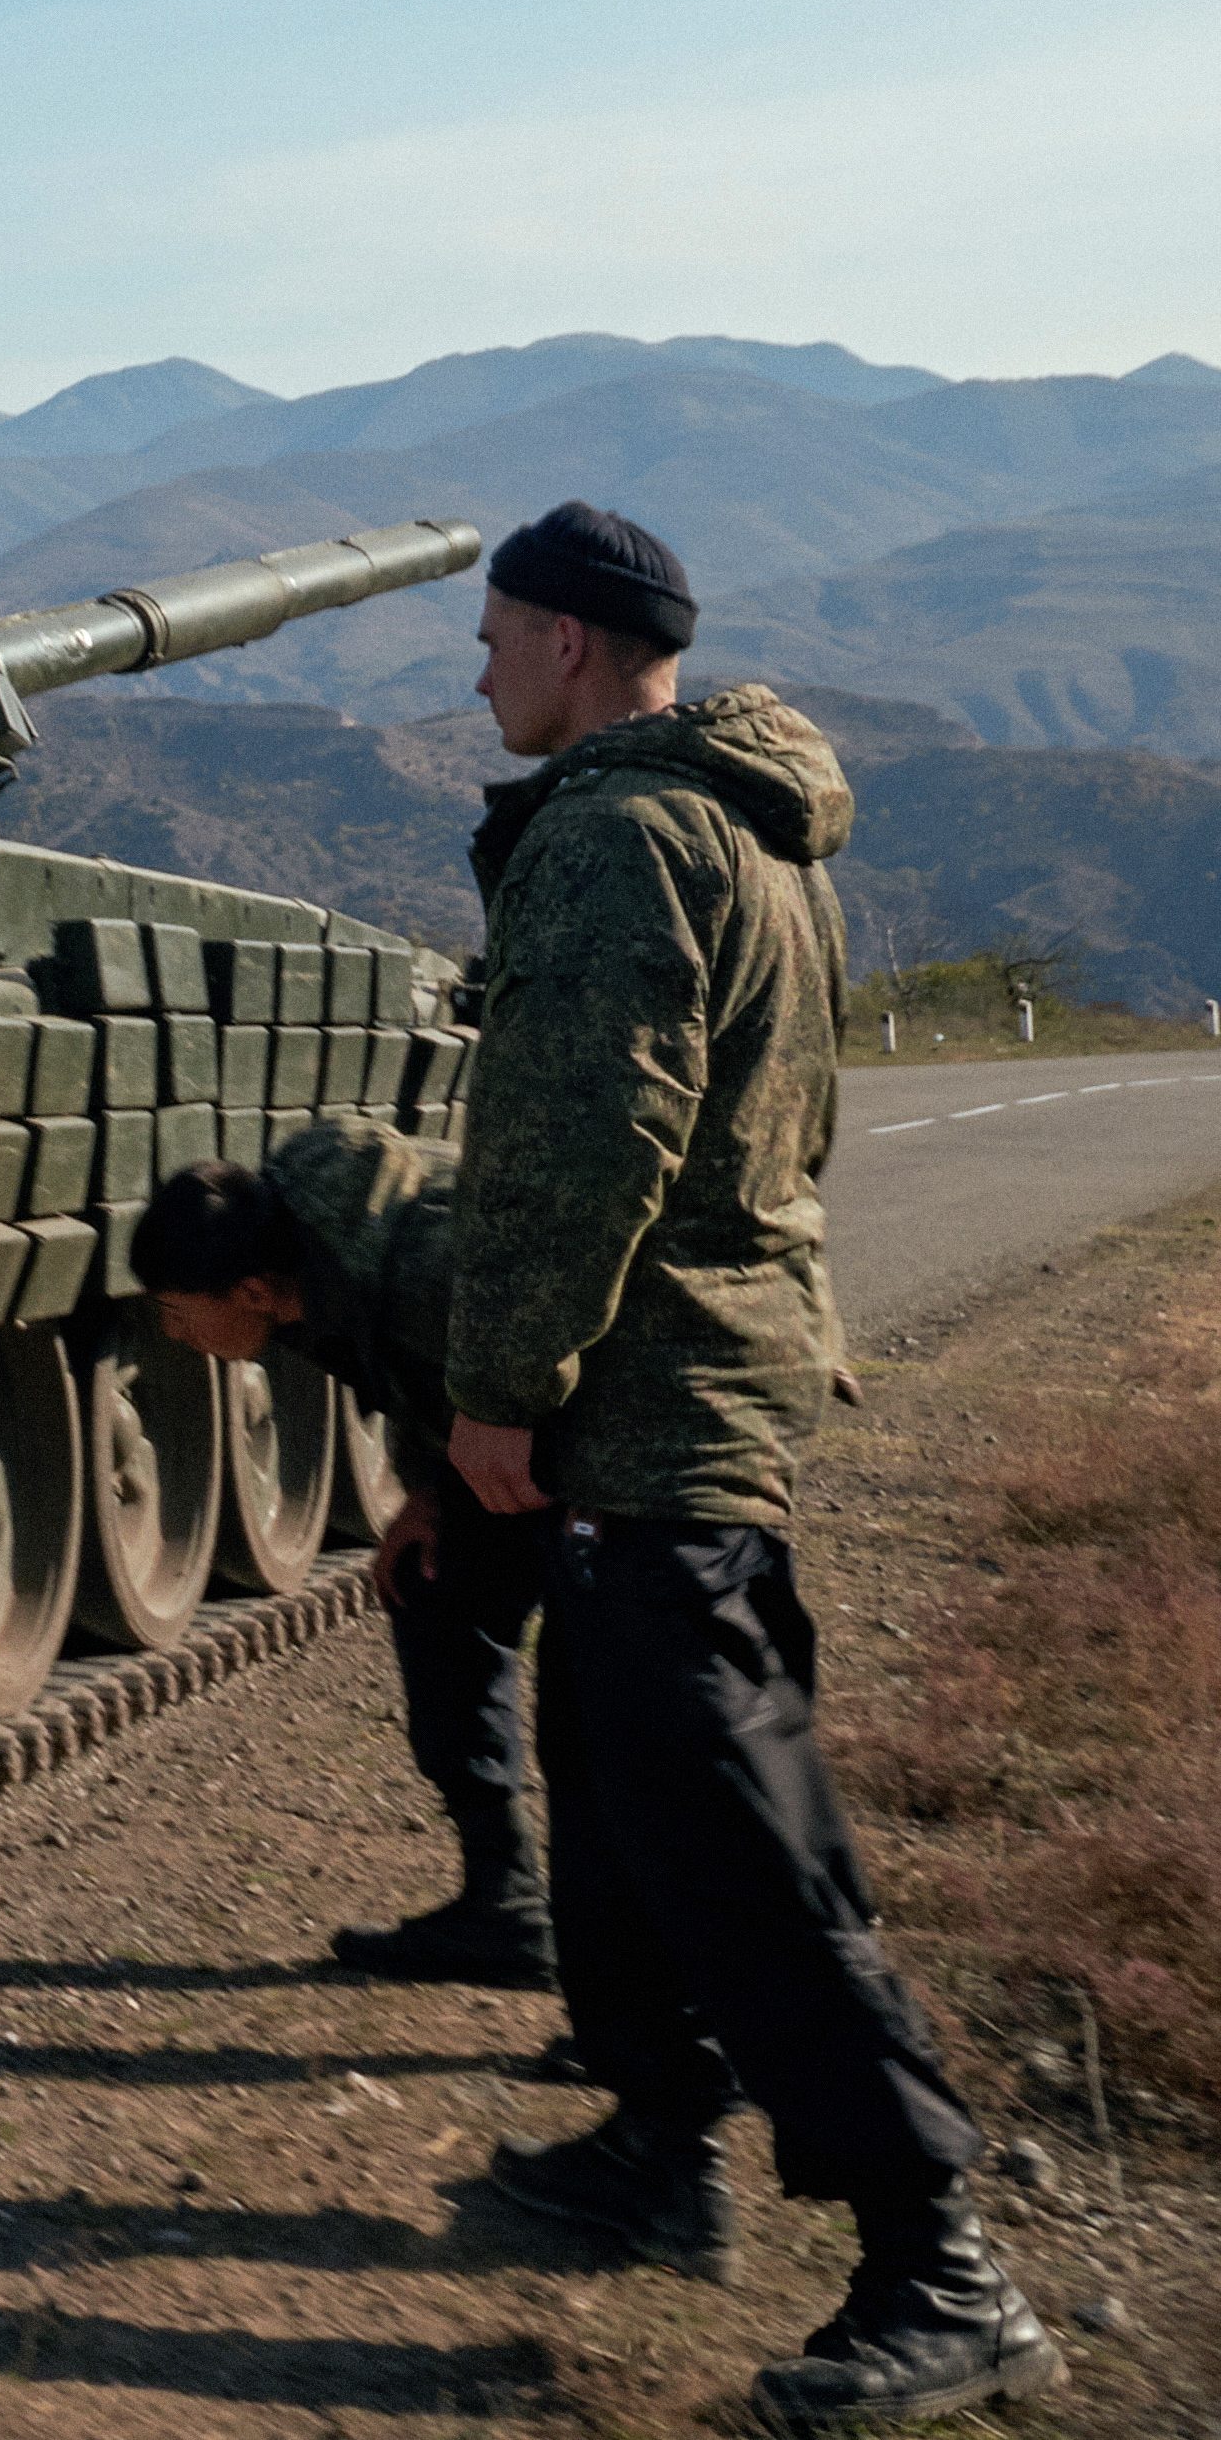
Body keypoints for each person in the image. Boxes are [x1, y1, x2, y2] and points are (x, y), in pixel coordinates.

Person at [442, 501, 1055, 2428]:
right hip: (698, 1383)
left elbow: (581, 1141)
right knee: (615, 1787)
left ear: (561, 640)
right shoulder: (752, 825)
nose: (472, 672)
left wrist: (499, 1379)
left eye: (490, 637)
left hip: (652, 1401)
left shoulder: (624, 833)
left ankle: (937, 2259)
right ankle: (654, 2134)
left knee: (729, 1827)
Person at [134, 1124, 554, 1988]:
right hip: (513, 1418)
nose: (173, 1335)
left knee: (617, 1707)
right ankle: (504, 1903)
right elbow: (419, 1373)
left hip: (606, 1430)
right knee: (432, 1591)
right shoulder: (302, 1260)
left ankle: (660, 1997)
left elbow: (545, 1358)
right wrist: (435, 1492)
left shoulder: (421, 1266)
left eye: (178, 1313)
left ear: (248, 1290)